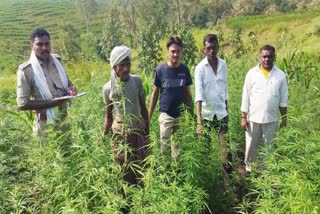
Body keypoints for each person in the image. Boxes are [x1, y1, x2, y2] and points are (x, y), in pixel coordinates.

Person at [16, 28, 77, 142]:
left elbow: (67, 83)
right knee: (48, 156)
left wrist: (71, 89)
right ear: (32, 45)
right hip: (45, 125)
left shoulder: (57, 62)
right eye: (39, 44)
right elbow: (22, 104)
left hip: (64, 120)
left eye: (47, 44)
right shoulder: (26, 70)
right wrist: (51, 103)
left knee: (68, 155)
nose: (44, 48)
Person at [103, 45, 149, 186]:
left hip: (137, 131)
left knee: (141, 169)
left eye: (128, 64)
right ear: (114, 67)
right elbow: (108, 116)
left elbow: (143, 109)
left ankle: (141, 203)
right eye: (121, 65)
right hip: (120, 134)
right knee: (123, 171)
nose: (126, 69)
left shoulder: (136, 81)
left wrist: (147, 132)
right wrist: (102, 137)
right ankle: (124, 205)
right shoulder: (108, 88)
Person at [241, 45, 288, 173]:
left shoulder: (280, 75)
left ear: (274, 57)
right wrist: (243, 117)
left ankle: (266, 173)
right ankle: (250, 171)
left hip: (272, 119)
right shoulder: (252, 74)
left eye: (270, 56)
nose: (267, 59)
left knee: (269, 147)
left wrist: (284, 119)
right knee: (251, 146)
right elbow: (245, 96)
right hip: (253, 118)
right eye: (264, 56)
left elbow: (283, 100)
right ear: (260, 57)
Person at [194, 33, 231, 184]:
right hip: (207, 115)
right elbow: (198, 95)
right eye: (208, 48)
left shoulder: (223, 65)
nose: (211, 51)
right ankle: (209, 182)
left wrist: (228, 111)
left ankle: (227, 181)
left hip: (222, 114)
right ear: (204, 50)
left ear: (218, 48)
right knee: (206, 151)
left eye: (214, 47)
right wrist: (199, 122)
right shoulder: (200, 68)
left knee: (225, 149)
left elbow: (225, 90)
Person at [149, 36, 192, 161]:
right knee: (164, 149)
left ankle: (176, 174)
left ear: (181, 51)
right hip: (166, 115)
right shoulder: (161, 70)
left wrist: (190, 115)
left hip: (180, 115)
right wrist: (149, 116)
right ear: (168, 52)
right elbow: (155, 94)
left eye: (178, 51)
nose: (175, 54)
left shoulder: (184, 70)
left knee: (178, 150)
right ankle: (165, 175)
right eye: (173, 51)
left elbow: (188, 95)